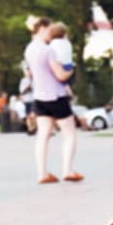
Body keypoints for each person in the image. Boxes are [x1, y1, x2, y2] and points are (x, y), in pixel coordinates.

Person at [23, 17, 83, 184]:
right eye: (49, 30)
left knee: (43, 135)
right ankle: (67, 170)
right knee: (69, 133)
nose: (51, 34)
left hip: (39, 97)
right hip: (56, 96)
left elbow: (30, 73)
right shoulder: (47, 51)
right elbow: (60, 75)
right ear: (41, 29)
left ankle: (42, 172)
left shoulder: (29, 49)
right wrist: (70, 70)